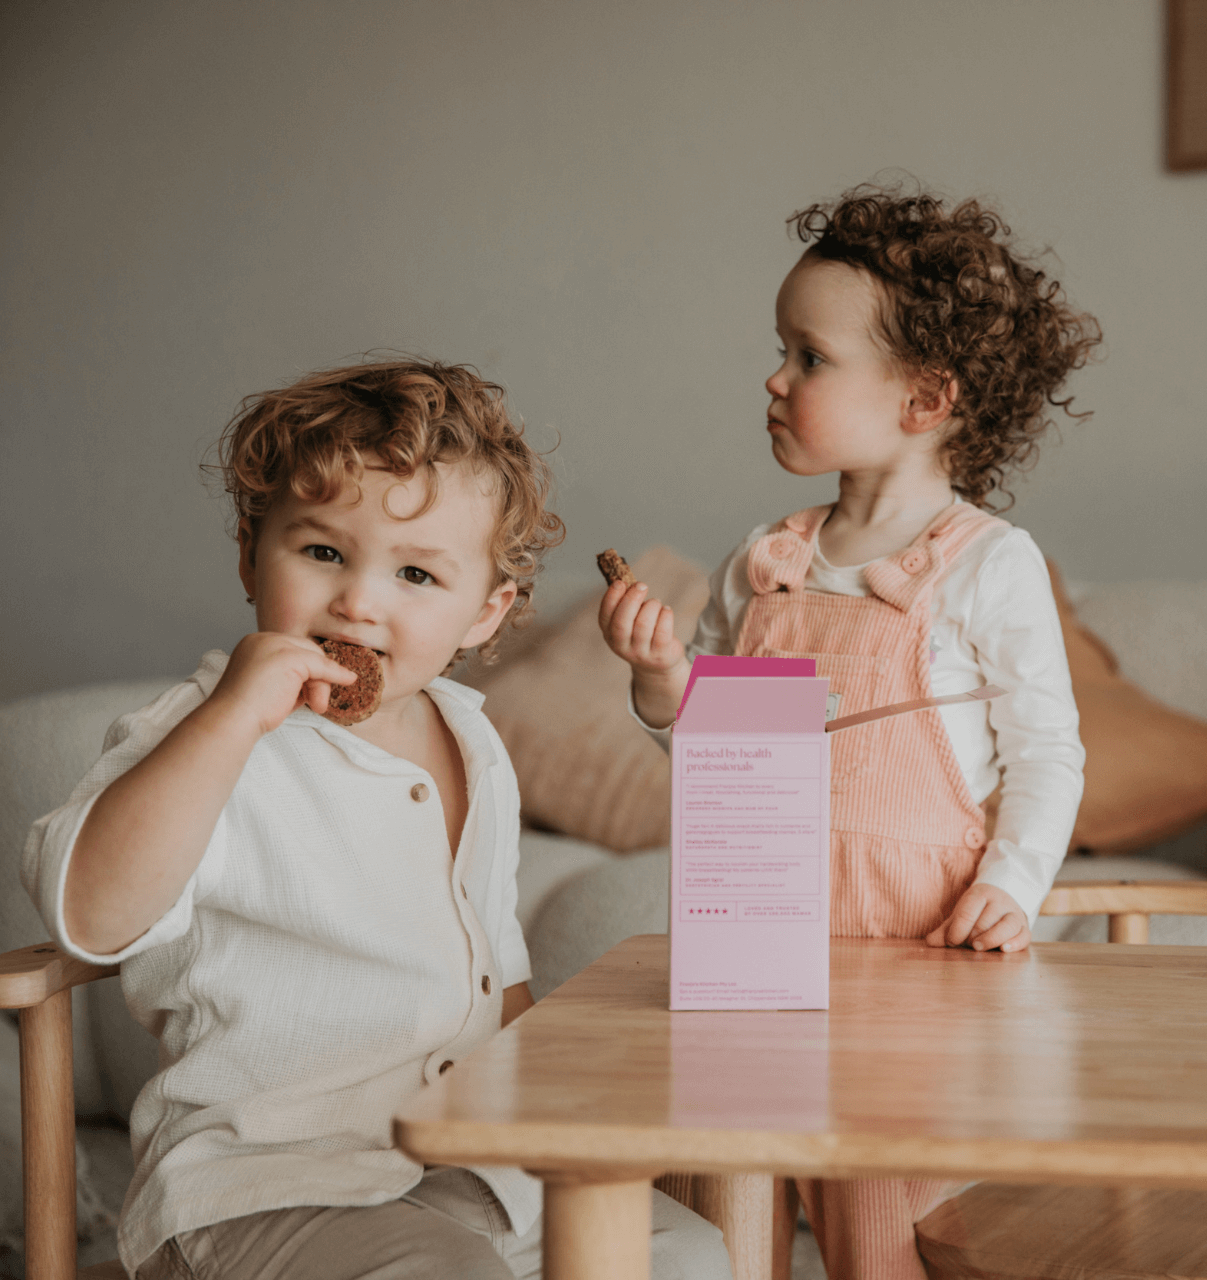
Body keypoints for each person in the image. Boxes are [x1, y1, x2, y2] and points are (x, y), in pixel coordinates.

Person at [24, 360, 733, 1280]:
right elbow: (90, 913)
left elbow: (496, 975)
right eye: (321, 553)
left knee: (687, 1253)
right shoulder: (201, 733)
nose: (360, 602)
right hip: (270, 1184)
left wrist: (561, 1113)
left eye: (414, 574)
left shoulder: (474, 742)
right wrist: (231, 718)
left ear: (484, 614)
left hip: (471, 1168)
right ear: (250, 554)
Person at [599, 185, 1099, 1279]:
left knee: (874, 1230)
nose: (773, 379)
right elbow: (713, 753)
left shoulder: (984, 562)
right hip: (757, 934)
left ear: (922, 396)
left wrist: (1012, 885)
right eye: (778, 349)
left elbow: (1046, 752)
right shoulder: (764, 558)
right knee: (730, 1208)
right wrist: (659, 679)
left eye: (808, 357)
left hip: (911, 952)